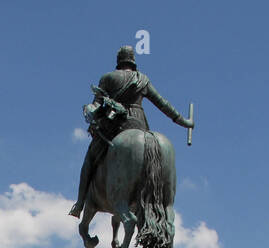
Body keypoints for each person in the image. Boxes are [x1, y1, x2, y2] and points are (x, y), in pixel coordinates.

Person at [70, 45, 194, 219]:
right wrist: (183, 121)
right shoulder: (143, 79)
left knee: (89, 160)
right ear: (133, 61)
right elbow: (162, 104)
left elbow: (96, 105)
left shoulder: (108, 78)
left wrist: (90, 110)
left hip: (115, 127)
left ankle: (79, 205)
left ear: (118, 61)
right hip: (140, 124)